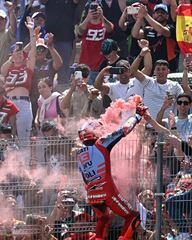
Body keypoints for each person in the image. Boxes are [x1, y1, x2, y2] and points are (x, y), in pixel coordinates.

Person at [76, 103, 148, 240]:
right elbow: (125, 130)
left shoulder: (79, 154)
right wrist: (137, 115)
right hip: (107, 192)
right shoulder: (102, 143)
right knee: (133, 216)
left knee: (103, 219)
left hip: (92, 195)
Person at [1, 17, 36, 144]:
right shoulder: (8, 67)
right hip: (8, 104)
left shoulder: (28, 68)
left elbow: (33, 51)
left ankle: (23, 163)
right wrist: (12, 58)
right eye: (16, 52)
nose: (20, 54)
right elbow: (2, 71)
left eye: (21, 52)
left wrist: (32, 31)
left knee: (23, 140)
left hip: (24, 103)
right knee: (6, 139)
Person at [131, 3, 179, 72]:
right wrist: (140, 18)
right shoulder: (148, 29)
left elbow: (162, 31)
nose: (160, 14)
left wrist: (146, 15)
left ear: (167, 16)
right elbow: (135, 35)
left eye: (162, 12)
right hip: (151, 66)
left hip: (168, 66)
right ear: (153, 15)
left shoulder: (172, 28)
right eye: (157, 12)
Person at [40, 0, 78, 84]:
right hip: (50, 38)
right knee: (46, 71)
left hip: (65, 40)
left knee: (63, 72)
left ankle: (62, 93)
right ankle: (45, 91)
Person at [76, 1, 114, 85]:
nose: (95, 12)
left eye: (97, 9)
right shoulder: (85, 24)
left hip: (100, 66)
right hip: (85, 66)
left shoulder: (104, 24)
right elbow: (79, 32)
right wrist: (87, 18)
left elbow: (110, 29)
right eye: (92, 10)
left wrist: (102, 16)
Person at [30, 35, 63, 119]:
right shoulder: (30, 63)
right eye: (37, 49)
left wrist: (50, 47)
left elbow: (59, 64)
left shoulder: (49, 62)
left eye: (42, 49)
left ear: (46, 51)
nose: (40, 52)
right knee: (34, 123)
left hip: (48, 97)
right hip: (33, 97)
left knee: (48, 123)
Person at [0, 1, 16, 67]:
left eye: (1, 19)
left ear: (6, 20)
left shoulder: (8, 32)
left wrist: (11, 11)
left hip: (4, 71)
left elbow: (13, 27)